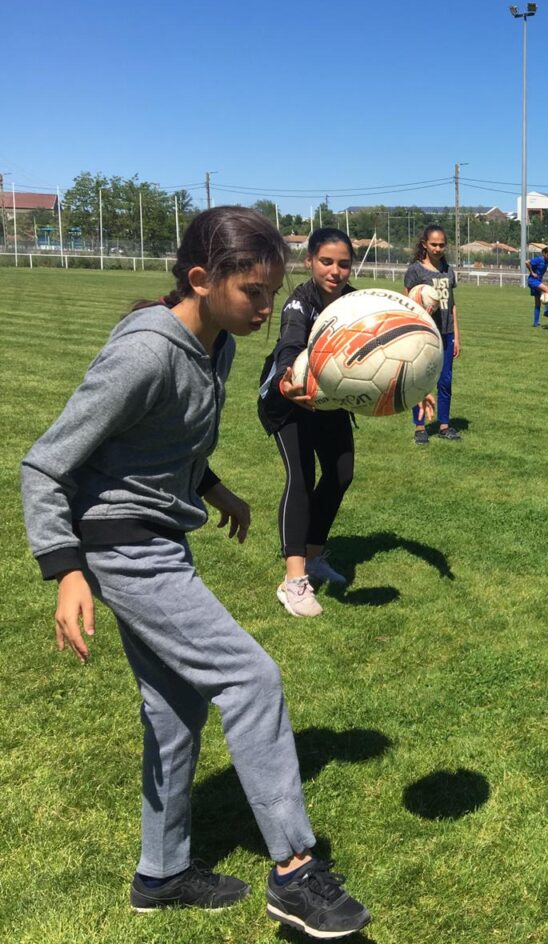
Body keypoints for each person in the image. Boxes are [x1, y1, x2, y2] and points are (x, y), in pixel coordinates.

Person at [20, 207, 372, 938]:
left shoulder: (215, 344)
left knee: (175, 716)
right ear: (201, 279)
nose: (268, 308)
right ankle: (295, 871)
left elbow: (161, 433)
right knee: (251, 679)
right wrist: (65, 570)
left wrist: (212, 489)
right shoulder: (146, 352)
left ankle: (161, 874)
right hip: (124, 548)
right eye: (254, 293)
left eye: (274, 292)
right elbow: (46, 463)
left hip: (158, 539)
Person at [258, 227, 358, 617]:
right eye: (326, 262)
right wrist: (288, 377)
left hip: (328, 400)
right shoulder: (300, 302)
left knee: (341, 473)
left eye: (344, 263)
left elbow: (385, 341)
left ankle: (315, 557)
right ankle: (294, 580)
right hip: (288, 398)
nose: (335, 270)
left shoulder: (354, 302)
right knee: (301, 477)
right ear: (310, 262)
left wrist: (415, 384)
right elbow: (289, 345)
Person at [406, 224, 462, 442]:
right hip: (422, 335)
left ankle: (444, 425)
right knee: (419, 379)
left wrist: (456, 335)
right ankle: (420, 428)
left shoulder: (448, 270)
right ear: (425, 245)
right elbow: (405, 302)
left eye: (442, 244)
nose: (438, 248)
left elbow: (453, 304)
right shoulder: (415, 271)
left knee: (445, 381)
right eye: (434, 244)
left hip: (446, 334)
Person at [526, 245, 548, 326]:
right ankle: (546, 311)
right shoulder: (539, 259)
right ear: (544, 253)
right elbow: (527, 262)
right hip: (532, 281)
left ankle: (536, 323)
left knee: (537, 304)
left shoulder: (546, 262)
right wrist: (531, 272)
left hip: (537, 281)